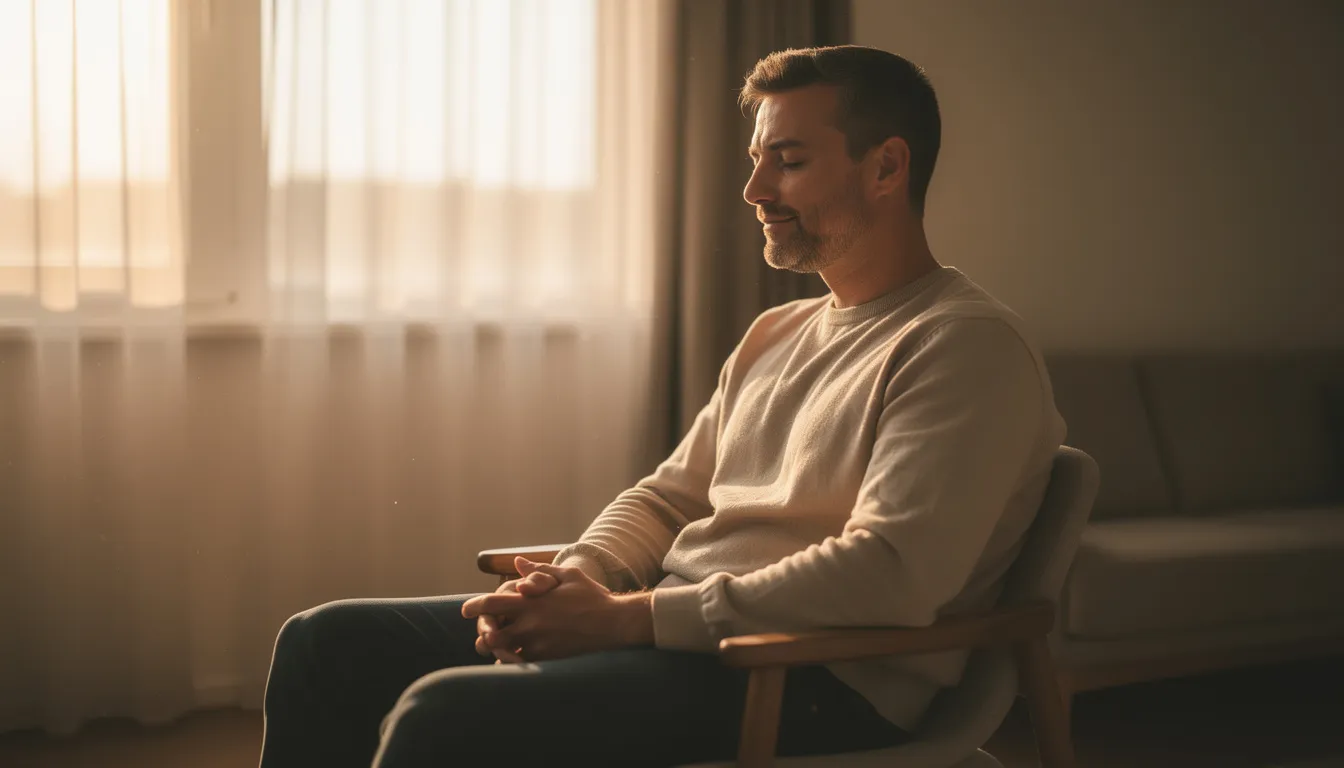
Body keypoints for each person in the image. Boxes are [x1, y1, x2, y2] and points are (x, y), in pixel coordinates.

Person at [259, 44, 1066, 768]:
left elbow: (891, 575)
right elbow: (667, 498)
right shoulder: (776, 330)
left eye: (786, 161)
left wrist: (623, 620)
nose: (753, 189)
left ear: (887, 168)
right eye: (756, 160)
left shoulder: (965, 346)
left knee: (445, 717)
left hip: (810, 678)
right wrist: (576, 582)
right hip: (682, 631)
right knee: (324, 642)